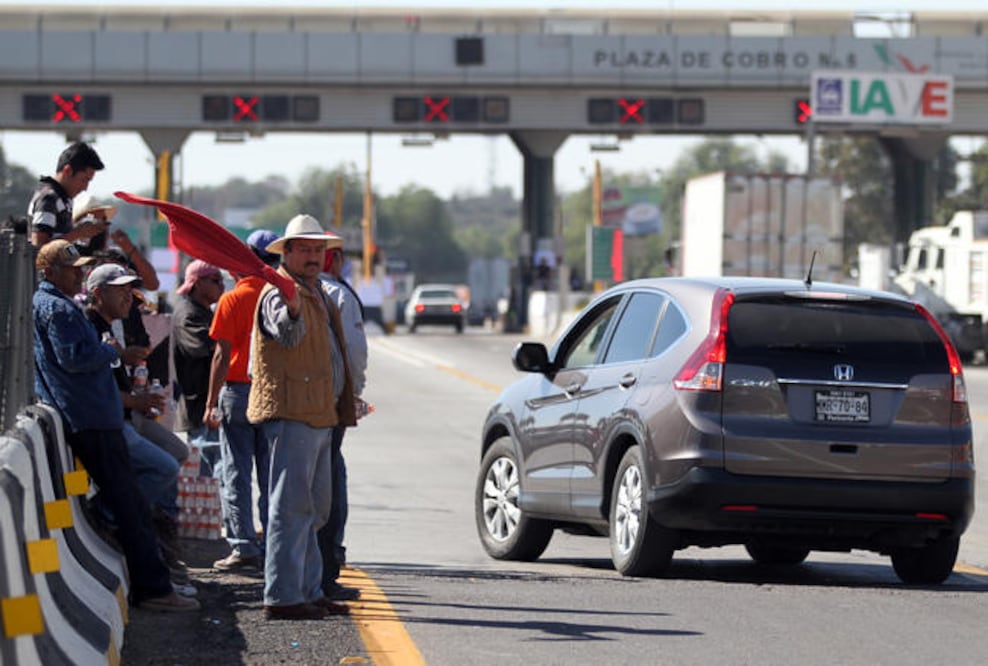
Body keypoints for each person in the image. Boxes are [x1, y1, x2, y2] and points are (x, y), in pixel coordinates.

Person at [32, 240, 197, 612]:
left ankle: (157, 580)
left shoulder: (55, 305)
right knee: (131, 507)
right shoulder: (58, 309)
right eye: (72, 269)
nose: (79, 274)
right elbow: (74, 359)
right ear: (49, 273)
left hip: (94, 416)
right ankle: (154, 590)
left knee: (135, 503)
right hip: (92, 419)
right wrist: (114, 352)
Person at [247, 214, 356, 620]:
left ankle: (308, 590)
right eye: (305, 249)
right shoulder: (282, 291)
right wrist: (291, 308)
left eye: (317, 250)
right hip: (293, 411)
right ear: (287, 252)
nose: (313, 256)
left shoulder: (315, 291)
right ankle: (283, 595)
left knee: (313, 510)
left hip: (317, 412)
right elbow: (287, 336)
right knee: (290, 508)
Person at [82, 263, 191, 588]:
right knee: (165, 468)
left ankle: (159, 528)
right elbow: (97, 388)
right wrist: (136, 402)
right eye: (120, 290)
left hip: (132, 411)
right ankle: (113, 514)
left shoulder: (120, 322)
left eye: (130, 290)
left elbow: (126, 367)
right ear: (98, 294)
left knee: (177, 451)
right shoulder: (89, 325)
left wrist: (141, 392)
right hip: (115, 417)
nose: (128, 297)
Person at [204, 230, 279, 572]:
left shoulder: (233, 299)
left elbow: (221, 356)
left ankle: (243, 545)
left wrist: (209, 402)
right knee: (270, 473)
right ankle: (272, 543)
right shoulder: (279, 297)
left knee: (236, 472)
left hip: (236, 392)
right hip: (271, 394)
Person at [317, 241, 368, 601]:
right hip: (329, 404)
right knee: (329, 483)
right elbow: (355, 352)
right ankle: (325, 571)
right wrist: (355, 392)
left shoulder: (281, 289)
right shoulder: (338, 294)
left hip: (291, 407)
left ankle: (308, 575)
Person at [172, 260, 224, 473]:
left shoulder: (204, 312)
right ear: (197, 283)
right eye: (215, 281)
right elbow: (204, 347)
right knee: (208, 479)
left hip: (209, 407)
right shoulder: (188, 314)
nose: (222, 286)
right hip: (199, 408)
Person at [29, 141, 106, 249]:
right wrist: (78, 233)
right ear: (68, 171)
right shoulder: (49, 198)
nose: (85, 188)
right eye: (84, 180)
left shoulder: (63, 199)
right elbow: (39, 247)